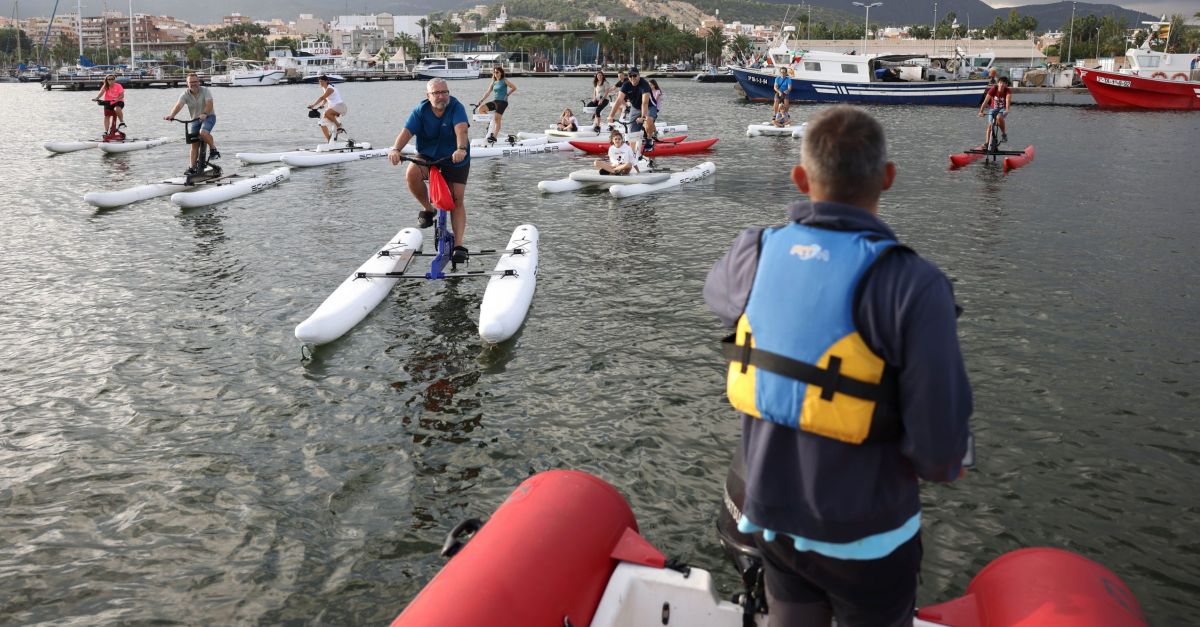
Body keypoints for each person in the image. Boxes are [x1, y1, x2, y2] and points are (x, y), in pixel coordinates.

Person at [703, 106, 972, 627]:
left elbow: (717, 293)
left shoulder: (752, 253)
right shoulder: (914, 284)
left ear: (800, 178)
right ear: (888, 179)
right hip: (869, 541)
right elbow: (940, 450)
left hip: (773, 522)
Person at [388, 78, 472, 265]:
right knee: (412, 173)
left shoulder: (456, 107)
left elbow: (462, 130)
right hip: (428, 156)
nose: (442, 96)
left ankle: (458, 246)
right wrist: (396, 149)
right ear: (428, 96)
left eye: (445, 92)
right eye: (436, 93)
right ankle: (428, 208)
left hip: (455, 157)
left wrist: (461, 149)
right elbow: (406, 132)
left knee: (457, 199)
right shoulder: (421, 110)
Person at [163, 72, 220, 174]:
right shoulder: (185, 94)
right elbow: (178, 105)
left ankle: (213, 149)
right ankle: (192, 168)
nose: (193, 84)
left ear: (198, 82)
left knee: (203, 132)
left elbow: (210, 104)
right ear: (187, 83)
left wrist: (205, 113)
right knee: (194, 145)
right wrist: (172, 115)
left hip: (209, 117)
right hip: (195, 120)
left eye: (195, 82)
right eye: (191, 82)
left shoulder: (205, 91)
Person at [608, 67, 658, 151]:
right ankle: (633, 155)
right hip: (635, 108)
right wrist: (611, 116)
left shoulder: (644, 84)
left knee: (648, 120)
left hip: (649, 106)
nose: (632, 78)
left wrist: (642, 117)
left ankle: (649, 140)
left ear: (639, 75)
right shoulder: (626, 84)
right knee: (632, 135)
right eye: (630, 76)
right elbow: (619, 99)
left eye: (635, 76)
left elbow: (644, 102)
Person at [474, 67, 517, 143]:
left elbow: (514, 87)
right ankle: (491, 123)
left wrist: (507, 95)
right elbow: (488, 92)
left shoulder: (504, 80)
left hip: (503, 102)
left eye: (497, 72)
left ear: (501, 73)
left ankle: (494, 136)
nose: (495, 74)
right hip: (495, 101)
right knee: (480, 109)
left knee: (497, 119)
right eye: (494, 72)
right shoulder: (494, 81)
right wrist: (481, 101)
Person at [307, 75, 347, 142]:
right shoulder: (324, 88)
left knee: (327, 112)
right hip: (332, 108)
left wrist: (313, 105)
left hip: (341, 107)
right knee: (321, 123)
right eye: (319, 82)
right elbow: (325, 99)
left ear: (326, 81)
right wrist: (322, 105)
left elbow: (322, 97)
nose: (320, 83)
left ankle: (339, 125)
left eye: (322, 81)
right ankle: (329, 140)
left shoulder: (330, 88)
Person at [978, 75, 1012, 146]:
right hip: (993, 109)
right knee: (990, 125)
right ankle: (987, 143)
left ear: (1006, 84)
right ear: (998, 83)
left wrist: (1007, 110)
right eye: (1000, 83)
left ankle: (1003, 134)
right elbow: (985, 101)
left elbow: (1007, 99)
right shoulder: (993, 89)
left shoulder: (1007, 90)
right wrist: (981, 111)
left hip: (1002, 109)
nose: (1002, 85)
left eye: (1004, 83)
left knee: (999, 117)